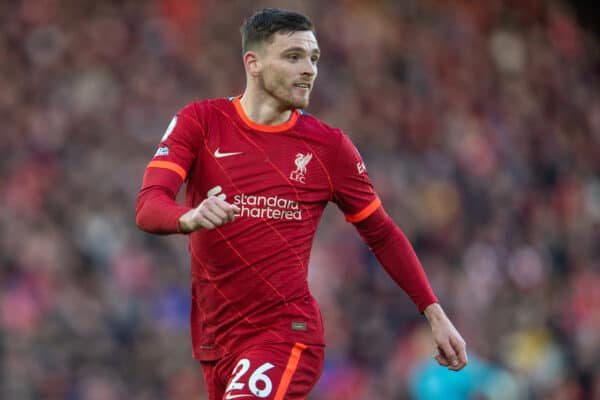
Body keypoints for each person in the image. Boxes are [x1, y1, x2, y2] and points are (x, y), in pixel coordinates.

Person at [135, 8, 467, 399]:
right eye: (293, 57)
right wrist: (188, 217)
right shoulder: (202, 122)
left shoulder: (329, 148)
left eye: (314, 59)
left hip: (285, 335)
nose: (309, 69)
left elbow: (382, 233)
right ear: (253, 64)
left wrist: (434, 312)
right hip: (216, 340)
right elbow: (148, 205)